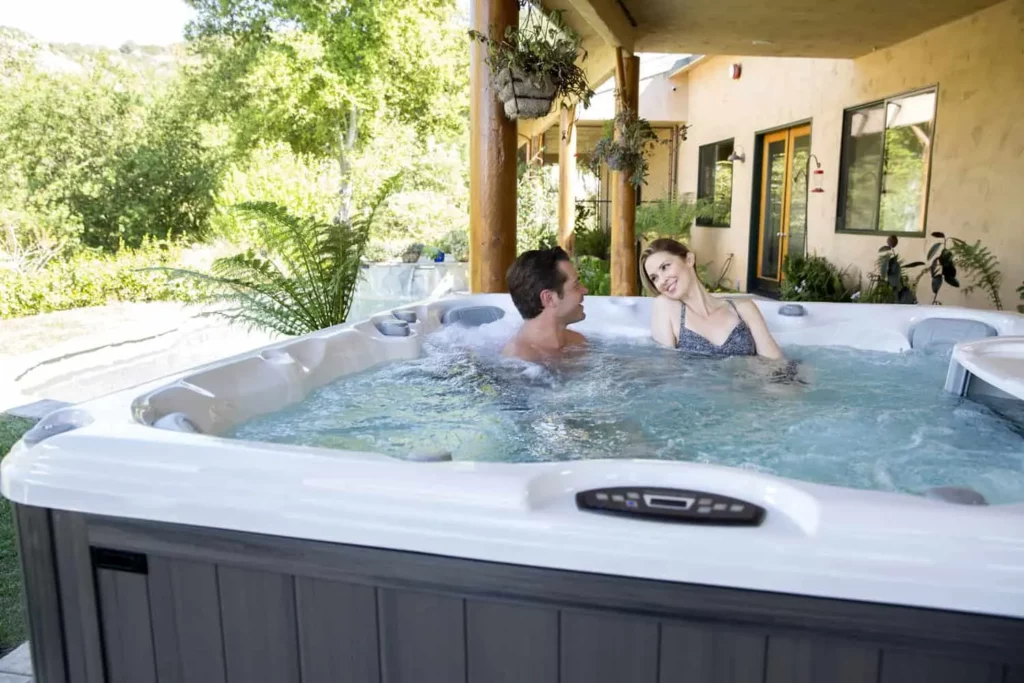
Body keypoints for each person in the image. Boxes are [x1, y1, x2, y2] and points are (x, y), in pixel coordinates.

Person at [640, 238, 784, 359]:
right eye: (654, 278)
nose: (662, 280)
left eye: (665, 267)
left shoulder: (743, 308)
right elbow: (665, 374)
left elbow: (774, 363)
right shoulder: (666, 308)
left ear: (689, 260)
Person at [502, 246, 588, 362]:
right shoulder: (518, 360)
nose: (585, 290)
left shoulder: (578, 343)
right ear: (549, 298)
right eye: (576, 285)